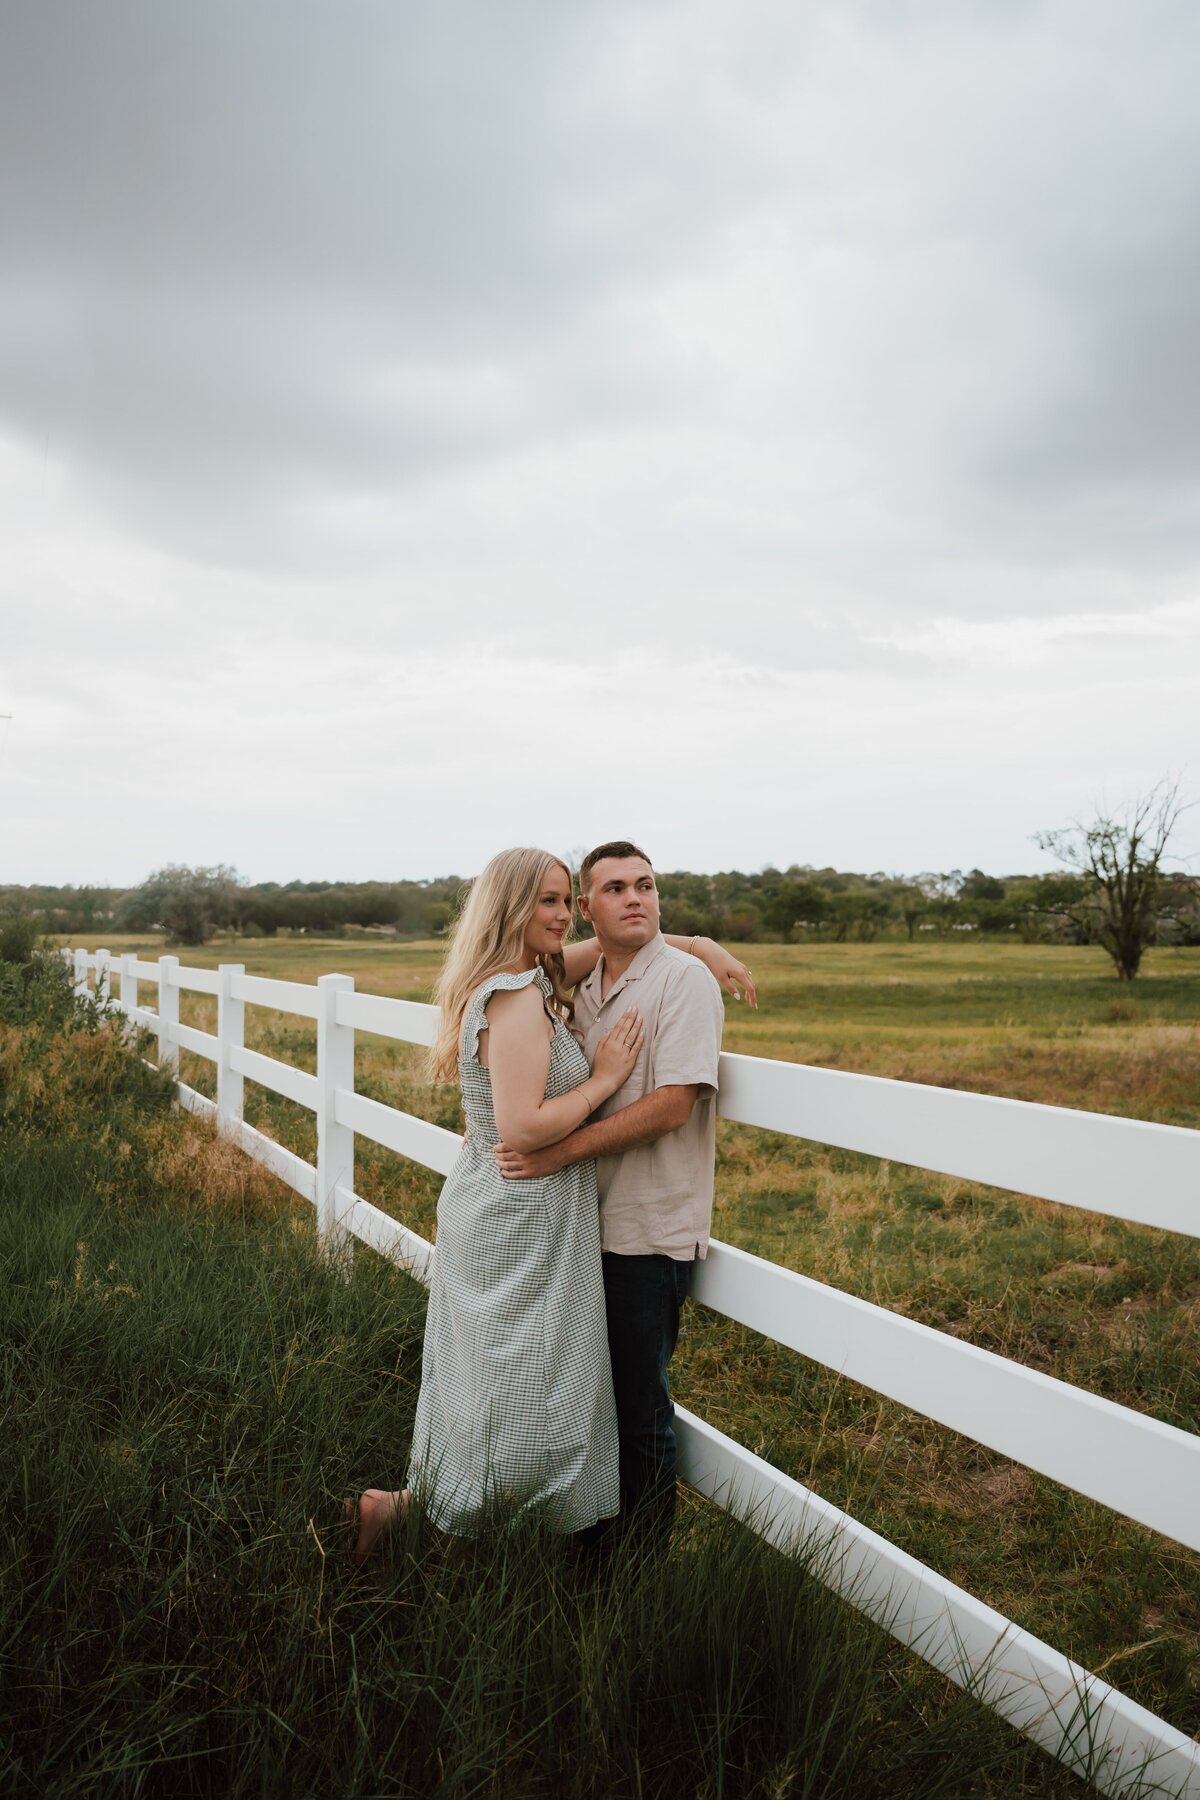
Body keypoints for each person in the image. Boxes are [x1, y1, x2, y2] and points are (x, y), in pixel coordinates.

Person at [352, 846, 752, 1561]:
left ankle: (417, 1514)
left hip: (547, 1217)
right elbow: (524, 1129)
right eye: (550, 901)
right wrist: (600, 1081)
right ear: (512, 908)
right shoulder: (518, 990)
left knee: (522, 1390)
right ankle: (452, 1525)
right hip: (519, 1216)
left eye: (568, 901)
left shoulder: (546, 973)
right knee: (519, 1391)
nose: (564, 915)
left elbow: (635, 943)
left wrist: (701, 945)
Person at [496, 840, 730, 1551]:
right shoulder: (581, 978)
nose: (637, 898)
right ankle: (584, 1550)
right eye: (617, 888)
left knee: (638, 1413)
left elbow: (672, 1106)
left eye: (648, 885)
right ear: (586, 911)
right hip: (577, 1228)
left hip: (643, 1233)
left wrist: (555, 1152)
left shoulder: (683, 983)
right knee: (581, 1403)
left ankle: (635, 1574)